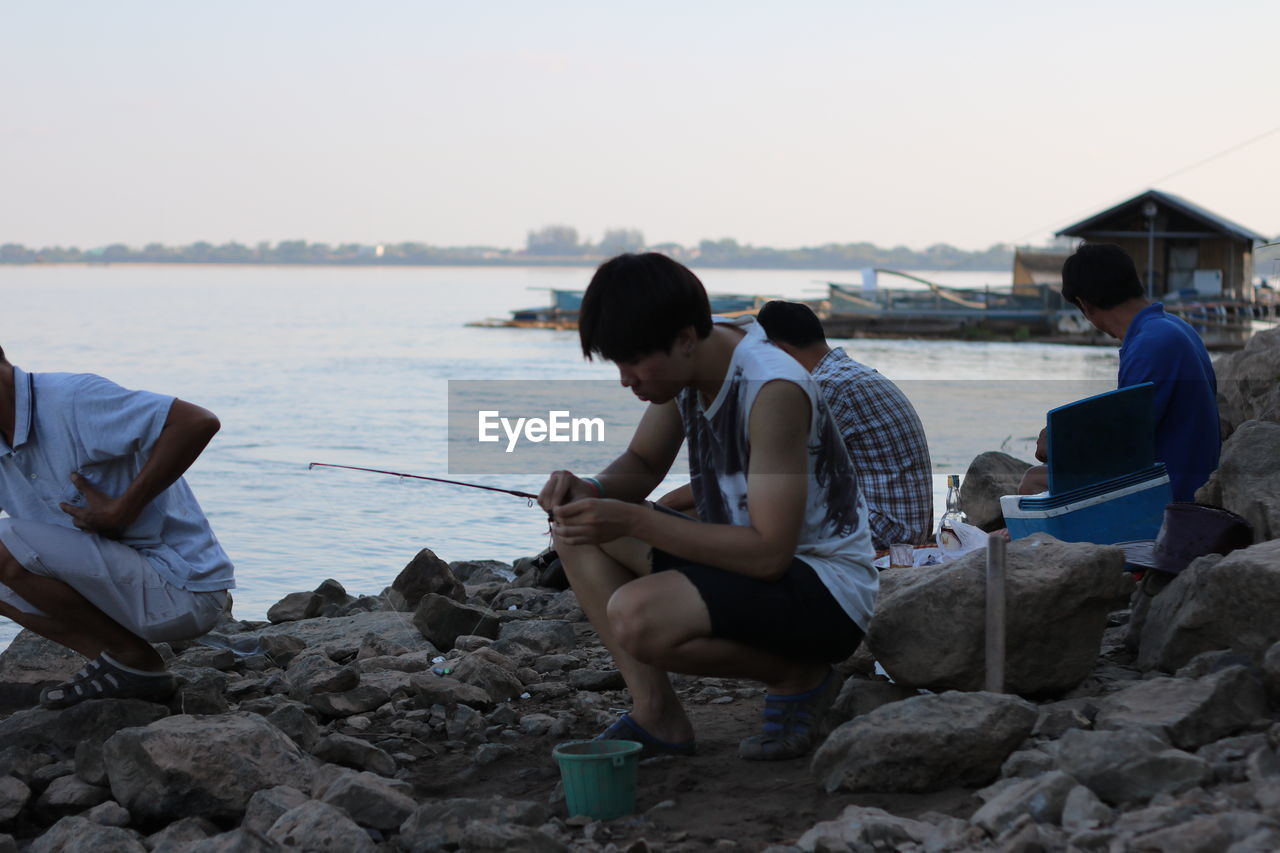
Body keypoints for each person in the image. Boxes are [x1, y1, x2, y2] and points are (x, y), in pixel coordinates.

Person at [539, 253, 877, 761]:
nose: (626, 379)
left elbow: (769, 555)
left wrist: (635, 518)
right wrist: (588, 489)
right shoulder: (687, 363)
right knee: (576, 527)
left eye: (633, 361)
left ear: (684, 339)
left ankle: (799, 676)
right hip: (753, 570)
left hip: (826, 590)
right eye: (617, 363)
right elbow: (642, 461)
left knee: (637, 616)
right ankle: (657, 715)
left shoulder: (771, 390)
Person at [0, 346, 235, 708]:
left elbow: (197, 421)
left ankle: (131, 659)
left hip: (181, 588)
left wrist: (124, 509)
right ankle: (128, 667)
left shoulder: (71, 398)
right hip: (114, 594)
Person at [1018, 243, 1220, 502]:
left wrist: (1059, 445)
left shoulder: (1150, 345)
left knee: (1033, 482)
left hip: (1170, 503)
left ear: (1084, 305)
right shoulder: (1175, 328)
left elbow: (1122, 451)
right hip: (1190, 486)